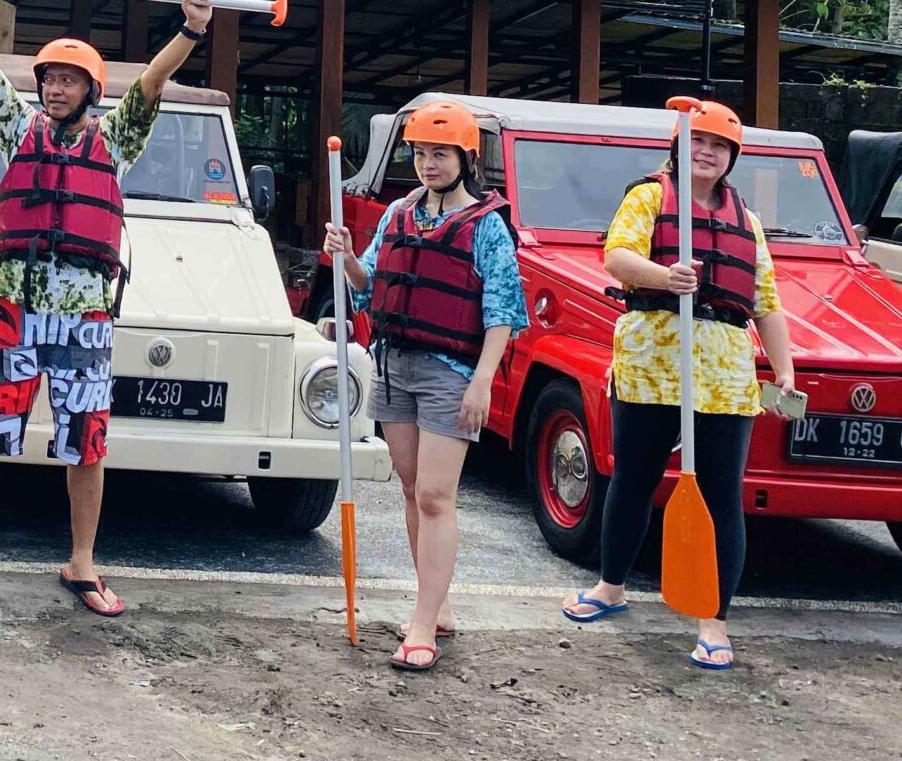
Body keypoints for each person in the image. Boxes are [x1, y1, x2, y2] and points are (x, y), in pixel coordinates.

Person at [0, 0, 216, 621]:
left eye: (69, 80)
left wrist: (192, 28)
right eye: (49, 79)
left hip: (85, 317)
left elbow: (151, 83)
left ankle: (81, 561)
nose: (56, 89)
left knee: (86, 444)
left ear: (90, 89)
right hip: (14, 310)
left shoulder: (116, 141)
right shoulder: (17, 129)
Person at [564, 96, 798, 672]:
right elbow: (617, 258)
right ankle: (611, 586)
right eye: (698, 143)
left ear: (732, 157)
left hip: (723, 374)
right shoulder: (649, 197)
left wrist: (785, 371)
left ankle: (714, 620)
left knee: (721, 496)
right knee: (632, 479)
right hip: (651, 364)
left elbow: (766, 303)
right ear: (678, 146)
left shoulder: (747, 221)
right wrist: (665, 276)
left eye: (719, 146)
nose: (707, 153)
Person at [321, 98, 526, 672]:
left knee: (436, 495)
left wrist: (482, 383)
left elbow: (503, 312)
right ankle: (437, 606)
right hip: (394, 364)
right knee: (412, 489)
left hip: (451, 372)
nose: (428, 164)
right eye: (420, 153)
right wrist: (346, 258)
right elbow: (366, 284)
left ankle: (421, 624)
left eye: (440, 154)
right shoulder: (398, 213)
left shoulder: (486, 226)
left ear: (466, 159)